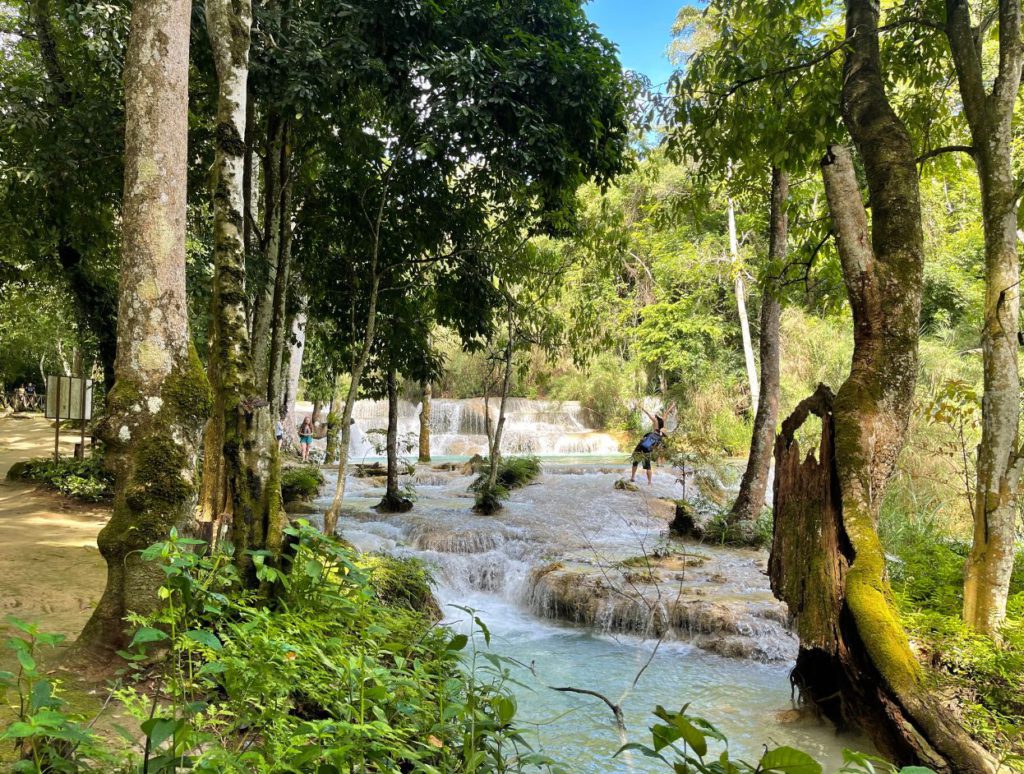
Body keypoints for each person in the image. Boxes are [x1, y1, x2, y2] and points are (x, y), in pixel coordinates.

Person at [629, 400, 677, 485]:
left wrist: (641, 407)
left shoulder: (655, 420)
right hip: (654, 441)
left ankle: (632, 477)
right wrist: (673, 405)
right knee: (648, 464)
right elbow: (667, 411)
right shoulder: (663, 419)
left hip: (648, 438)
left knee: (635, 461)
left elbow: (647, 413)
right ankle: (649, 482)